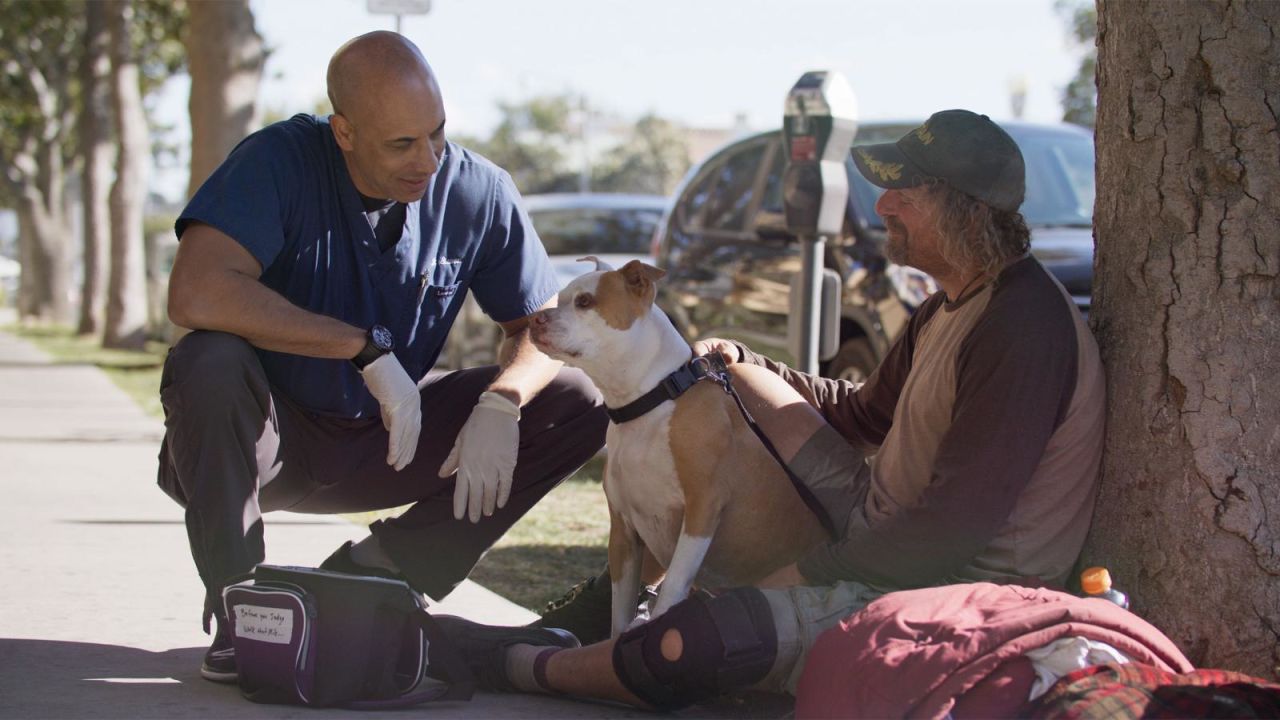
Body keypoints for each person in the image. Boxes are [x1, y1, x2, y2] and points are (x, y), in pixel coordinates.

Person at [430, 109, 1107, 710]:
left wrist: (806, 573)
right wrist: (751, 365)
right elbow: (862, 416)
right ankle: (594, 616)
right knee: (733, 380)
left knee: (699, 642)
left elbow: (949, 531)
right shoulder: (953, 300)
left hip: (950, 583)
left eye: (906, 191)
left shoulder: (1021, 327)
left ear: (963, 210)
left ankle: (527, 664)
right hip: (879, 519)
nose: (883, 204)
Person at [157, 31, 606, 683]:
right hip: (267, 442)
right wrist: (361, 349)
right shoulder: (277, 162)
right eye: (401, 144)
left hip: (392, 440)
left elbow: (538, 330)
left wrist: (500, 404)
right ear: (343, 133)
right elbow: (196, 290)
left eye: (437, 134)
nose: (426, 160)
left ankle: (380, 575)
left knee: (574, 400)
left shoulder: (478, 190)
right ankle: (242, 609)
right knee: (210, 360)